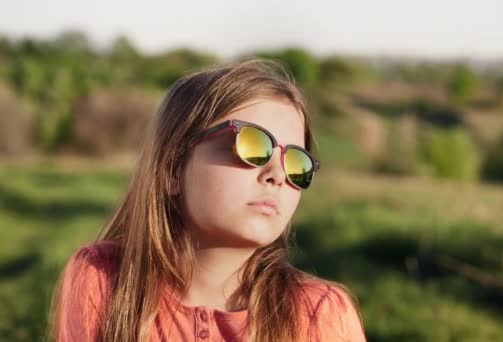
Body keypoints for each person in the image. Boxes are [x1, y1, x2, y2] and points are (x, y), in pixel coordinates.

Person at [47, 59, 366, 341]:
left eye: (297, 163)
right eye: (251, 146)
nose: (278, 174)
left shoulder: (320, 315)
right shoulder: (103, 281)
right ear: (172, 168)